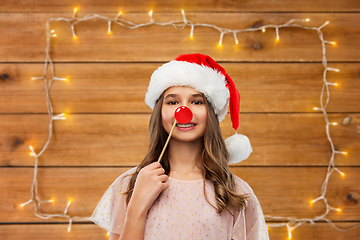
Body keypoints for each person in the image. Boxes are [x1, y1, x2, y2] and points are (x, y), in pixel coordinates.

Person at [91, 53, 269, 240]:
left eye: (197, 101)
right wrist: (137, 207)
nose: (184, 111)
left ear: (211, 114)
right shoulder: (129, 184)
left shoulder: (236, 192)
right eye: (173, 102)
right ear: (160, 112)